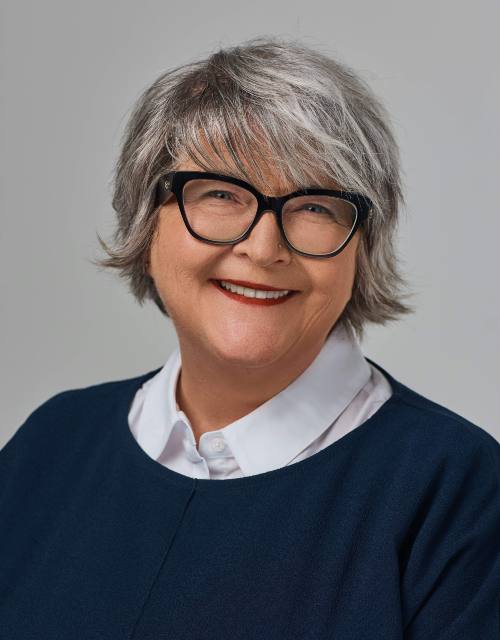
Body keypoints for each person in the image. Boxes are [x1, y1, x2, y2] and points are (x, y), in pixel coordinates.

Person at [1, 36, 498, 639]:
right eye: (219, 194)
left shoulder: (457, 490)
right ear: (145, 217)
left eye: (314, 206)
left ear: (363, 245)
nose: (263, 249)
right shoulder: (51, 443)